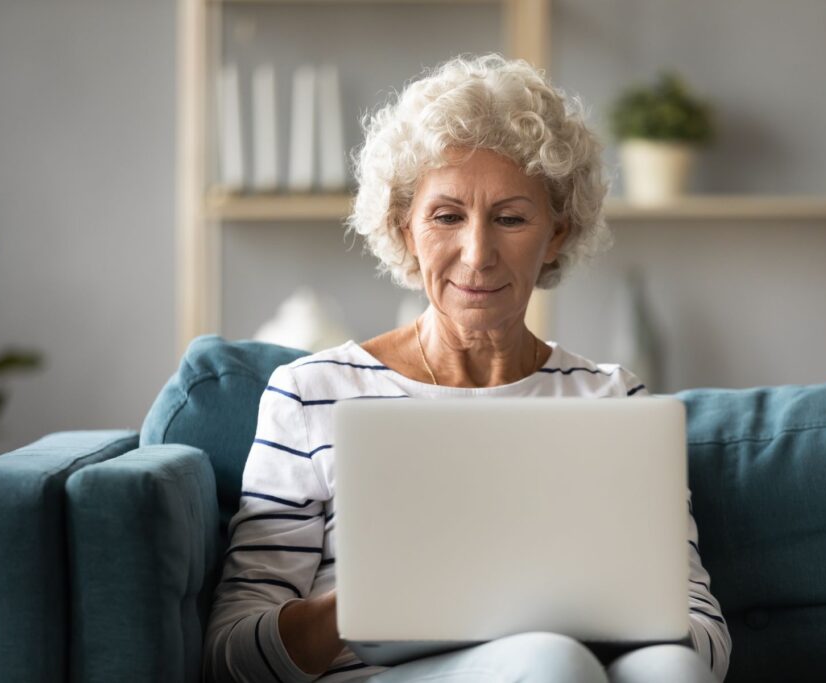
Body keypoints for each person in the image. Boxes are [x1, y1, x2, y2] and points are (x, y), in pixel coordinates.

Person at [202, 53, 731, 683]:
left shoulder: (613, 399)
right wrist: (379, 604)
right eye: (447, 216)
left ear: (556, 234)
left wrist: (603, 608)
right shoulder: (313, 393)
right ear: (405, 230)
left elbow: (703, 626)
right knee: (549, 661)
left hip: (584, 665)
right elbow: (232, 654)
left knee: (674, 670)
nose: (477, 255)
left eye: (511, 218)